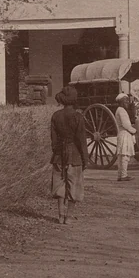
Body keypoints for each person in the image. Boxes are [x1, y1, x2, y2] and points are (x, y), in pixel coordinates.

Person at [50, 86, 90, 224]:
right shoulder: (78, 117)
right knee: (74, 185)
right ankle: (68, 217)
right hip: (75, 156)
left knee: (59, 184)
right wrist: (85, 159)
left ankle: (60, 215)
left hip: (58, 156)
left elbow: (53, 140)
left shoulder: (55, 116)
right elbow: (81, 140)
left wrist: (57, 152)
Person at [113, 93, 137, 181]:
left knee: (122, 155)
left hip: (122, 134)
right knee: (125, 155)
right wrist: (134, 131)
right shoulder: (122, 111)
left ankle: (120, 175)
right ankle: (123, 175)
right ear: (121, 102)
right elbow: (126, 125)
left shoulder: (119, 110)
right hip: (125, 134)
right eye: (125, 101)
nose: (127, 103)